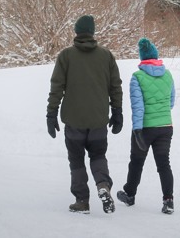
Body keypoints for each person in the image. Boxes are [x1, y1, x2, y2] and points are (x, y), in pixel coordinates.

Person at [46, 15, 124, 214]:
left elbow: (57, 87)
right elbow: (115, 87)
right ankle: (103, 185)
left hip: (74, 121)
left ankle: (82, 200)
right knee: (98, 155)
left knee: (76, 160)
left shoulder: (66, 56)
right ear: (93, 32)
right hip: (98, 120)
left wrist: (51, 113)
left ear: (76, 31)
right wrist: (117, 112)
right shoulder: (106, 56)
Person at [116, 37, 176, 215]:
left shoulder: (137, 77)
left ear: (142, 58)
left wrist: (137, 130)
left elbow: (138, 107)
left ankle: (130, 194)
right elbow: (171, 102)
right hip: (166, 126)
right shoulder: (168, 75)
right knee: (164, 164)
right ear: (156, 56)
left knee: (136, 162)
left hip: (146, 128)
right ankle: (168, 200)